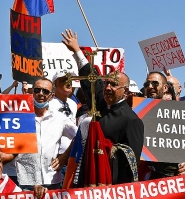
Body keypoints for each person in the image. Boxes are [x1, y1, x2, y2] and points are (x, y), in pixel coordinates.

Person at [61, 29, 144, 185]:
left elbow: (131, 165)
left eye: (114, 84)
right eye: (106, 83)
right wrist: (77, 51)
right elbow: (91, 81)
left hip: (109, 186)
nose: (107, 87)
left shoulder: (131, 120)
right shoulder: (101, 104)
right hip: (87, 180)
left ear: (125, 91)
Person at [16, 78, 77, 190]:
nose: (41, 94)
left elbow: (79, 136)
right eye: (37, 90)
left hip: (52, 179)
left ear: (52, 96)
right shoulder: (19, 117)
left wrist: (64, 156)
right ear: (32, 92)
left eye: (45, 91)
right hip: (25, 180)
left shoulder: (60, 118)